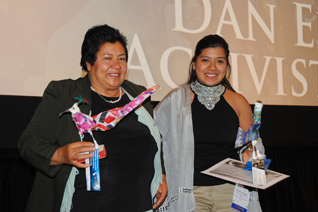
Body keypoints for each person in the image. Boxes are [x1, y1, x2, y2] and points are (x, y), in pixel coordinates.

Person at [18, 24, 167, 212]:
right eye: (107, 58)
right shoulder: (64, 93)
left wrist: (160, 173)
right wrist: (62, 155)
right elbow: (28, 143)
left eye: (122, 58)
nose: (117, 65)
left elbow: (153, 139)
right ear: (89, 63)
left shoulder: (138, 95)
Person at [154, 34, 260, 212]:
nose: (212, 67)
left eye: (220, 61)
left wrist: (255, 161)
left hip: (231, 192)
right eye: (205, 60)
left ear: (226, 66)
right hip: (190, 192)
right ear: (194, 64)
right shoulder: (175, 100)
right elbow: (154, 142)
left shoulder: (239, 102)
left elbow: (254, 144)